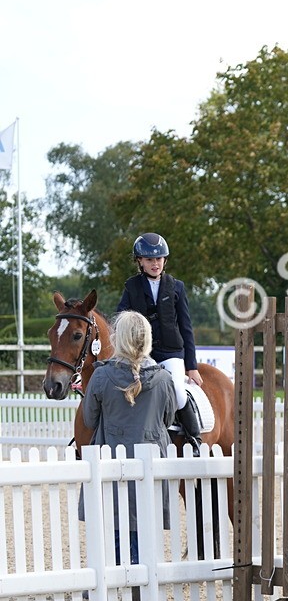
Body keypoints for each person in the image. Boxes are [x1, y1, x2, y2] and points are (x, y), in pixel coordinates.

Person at [82, 311, 175, 571]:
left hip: (111, 462)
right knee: (143, 529)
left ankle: (108, 576)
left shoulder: (101, 377)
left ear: (116, 339)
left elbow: (89, 419)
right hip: (150, 466)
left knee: (110, 525)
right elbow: (166, 421)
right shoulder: (164, 379)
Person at [116, 233, 203, 445]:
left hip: (171, 352)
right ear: (140, 262)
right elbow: (120, 321)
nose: (155, 264)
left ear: (164, 260)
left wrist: (191, 366)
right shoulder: (131, 287)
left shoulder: (177, 287)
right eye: (149, 260)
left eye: (158, 259)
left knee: (179, 394)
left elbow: (186, 328)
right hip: (142, 354)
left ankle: (194, 438)